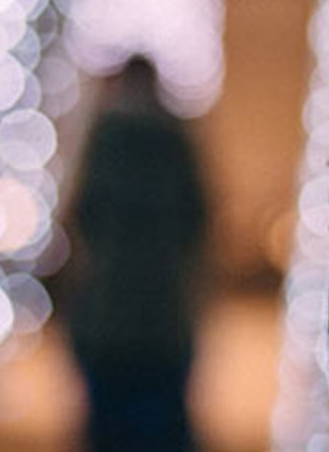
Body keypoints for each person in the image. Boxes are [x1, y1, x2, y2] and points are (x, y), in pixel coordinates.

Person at [65, 55, 208, 452]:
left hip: (111, 314)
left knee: (110, 427)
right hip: (162, 313)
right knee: (161, 426)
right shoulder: (175, 138)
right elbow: (197, 217)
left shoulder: (104, 139)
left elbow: (82, 214)